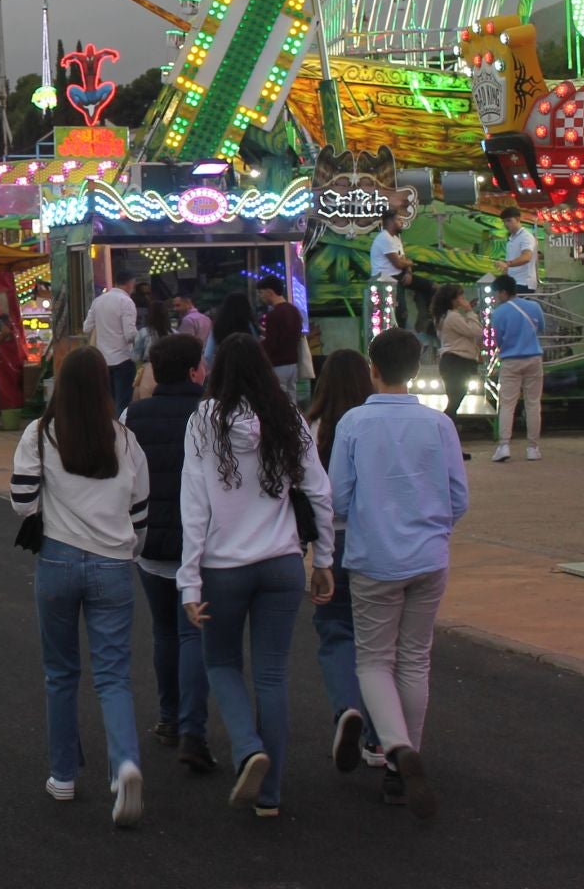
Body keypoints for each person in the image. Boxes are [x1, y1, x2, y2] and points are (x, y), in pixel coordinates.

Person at [178, 333, 335, 819]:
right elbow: (320, 492)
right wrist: (324, 560)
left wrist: (189, 581)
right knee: (272, 675)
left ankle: (248, 748)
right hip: (283, 563)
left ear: (217, 370)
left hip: (223, 568)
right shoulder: (288, 419)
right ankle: (271, 796)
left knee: (221, 663)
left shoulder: (203, 422)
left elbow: (194, 507)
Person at [329, 327, 470, 820]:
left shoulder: (352, 423)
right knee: (415, 659)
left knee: (373, 661)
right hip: (429, 556)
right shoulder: (439, 426)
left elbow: (338, 498)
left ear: (374, 368)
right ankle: (404, 759)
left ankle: (393, 747)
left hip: (373, 556)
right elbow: (459, 499)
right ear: (417, 369)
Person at [10, 345, 149, 828]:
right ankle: (125, 763)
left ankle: (63, 775)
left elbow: (22, 499)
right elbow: (141, 510)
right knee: (113, 675)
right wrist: (128, 548)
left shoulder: (41, 433)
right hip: (114, 566)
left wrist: (48, 516)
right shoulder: (126, 440)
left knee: (61, 671)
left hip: (59, 562)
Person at [122, 333, 214, 773]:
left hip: (151, 544)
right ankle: (194, 727)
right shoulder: (213, 415)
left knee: (163, 631)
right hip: (204, 546)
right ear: (197, 368)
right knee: (193, 633)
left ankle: (168, 717)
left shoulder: (133, 416)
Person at [305, 348, 383, 774]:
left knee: (335, 633)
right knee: (377, 645)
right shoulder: (374, 426)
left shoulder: (315, 427)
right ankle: (378, 737)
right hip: (374, 547)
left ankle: (346, 707)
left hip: (331, 545)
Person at [488, 274, 545, 463]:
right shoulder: (534, 307)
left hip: (511, 360)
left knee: (508, 404)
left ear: (503, 292)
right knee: (533, 403)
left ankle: (504, 445)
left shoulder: (498, 313)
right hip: (534, 358)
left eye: (496, 293)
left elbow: (499, 340)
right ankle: (533, 448)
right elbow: (541, 328)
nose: (495, 297)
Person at [85, 268, 140, 416]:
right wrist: (141, 337)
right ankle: (120, 434)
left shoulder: (98, 301)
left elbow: (86, 327)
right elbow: (130, 335)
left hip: (103, 360)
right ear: (130, 283)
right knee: (122, 403)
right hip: (123, 359)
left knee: (107, 401)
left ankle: (107, 431)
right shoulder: (126, 302)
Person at [432, 284, 482, 445]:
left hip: (451, 362)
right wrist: (469, 311)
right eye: (460, 297)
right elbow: (475, 331)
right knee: (454, 403)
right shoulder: (453, 317)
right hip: (457, 362)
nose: (463, 300)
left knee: (454, 401)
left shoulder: (442, 316)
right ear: (452, 300)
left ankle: (448, 441)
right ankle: (441, 436)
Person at [369, 208, 432, 329]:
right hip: (386, 278)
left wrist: (408, 271)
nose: (401, 222)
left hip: (399, 275)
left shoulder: (396, 238)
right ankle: (399, 336)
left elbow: (403, 259)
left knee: (432, 286)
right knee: (401, 314)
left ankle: (425, 317)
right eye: (398, 219)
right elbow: (398, 263)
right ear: (391, 222)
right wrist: (409, 263)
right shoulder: (384, 238)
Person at [257, 278, 304, 402]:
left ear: (270, 292)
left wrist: (260, 345)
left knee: (278, 399)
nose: (260, 297)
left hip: (277, 364)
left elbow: (272, 343)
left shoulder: (273, 315)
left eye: (261, 293)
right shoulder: (294, 311)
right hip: (293, 363)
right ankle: (295, 420)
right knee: (291, 398)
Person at [203, 292, 256, 371]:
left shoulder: (218, 326)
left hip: (224, 369)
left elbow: (207, 355)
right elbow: (257, 347)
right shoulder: (248, 325)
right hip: (247, 369)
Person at [497, 206, 539, 293]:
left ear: (517, 219)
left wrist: (507, 264)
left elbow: (527, 257)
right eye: (504, 221)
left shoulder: (526, 236)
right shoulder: (511, 238)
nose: (506, 224)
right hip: (514, 282)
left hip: (524, 283)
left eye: (509, 220)